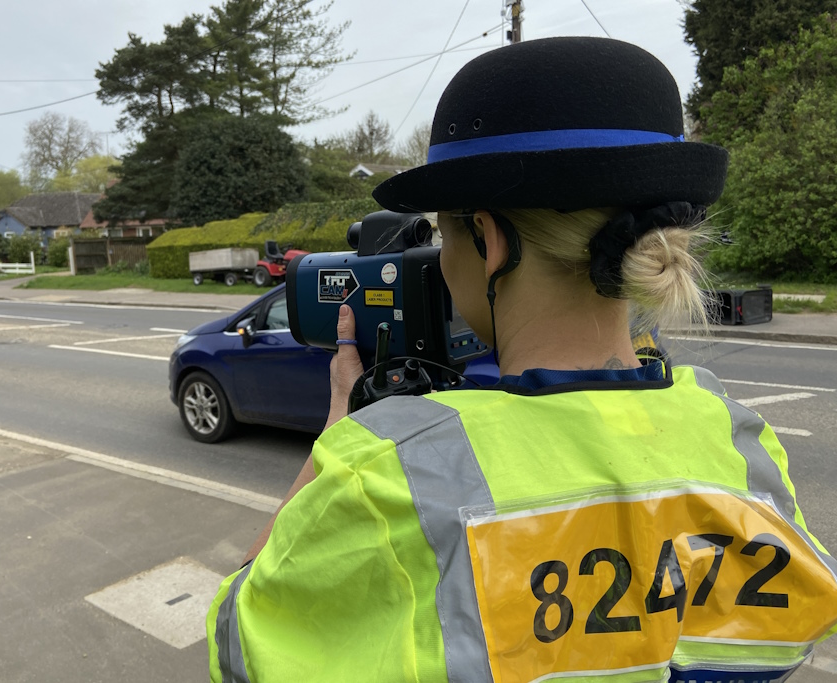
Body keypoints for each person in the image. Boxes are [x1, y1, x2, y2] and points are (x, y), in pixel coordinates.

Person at [207, 36, 837, 683]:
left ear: (490, 238)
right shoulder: (737, 440)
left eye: (445, 234)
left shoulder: (392, 468)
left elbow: (240, 639)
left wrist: (333, 441)